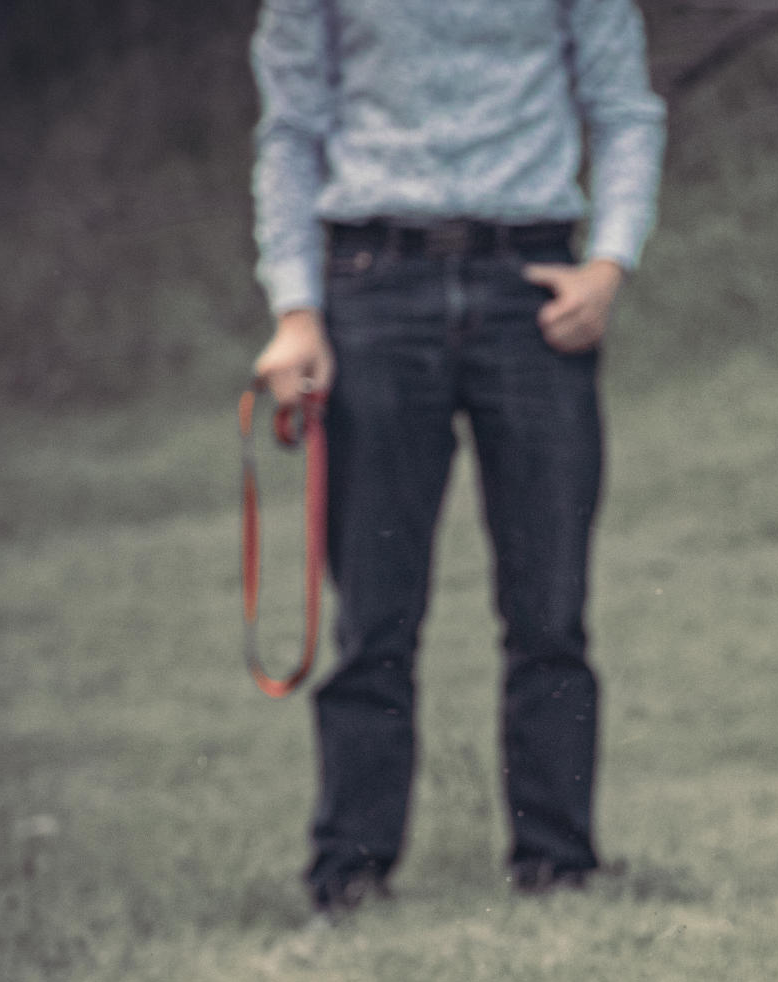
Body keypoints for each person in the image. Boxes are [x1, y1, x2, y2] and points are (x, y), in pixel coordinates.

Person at [248, 0, 666, 915]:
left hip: (533, 284)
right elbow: (290, 130)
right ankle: (350, 872)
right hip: (372, 283)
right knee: (375, 608)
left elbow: (625, 108)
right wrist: (295, 309)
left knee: (550, 602)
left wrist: (609, 264)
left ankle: (557, 861)